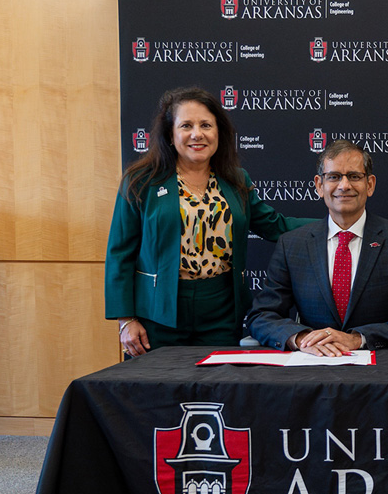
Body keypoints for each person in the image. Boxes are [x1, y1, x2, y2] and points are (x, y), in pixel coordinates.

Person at [106, 86, 314, 357]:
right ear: (170, 134)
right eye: (186, 125)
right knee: (159, 392)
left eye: (206, 125)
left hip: (221, 311)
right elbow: (120, 253)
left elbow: (275, 225)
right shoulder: (140, 181)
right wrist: (126, 320)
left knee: (218, 391)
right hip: (157, 312)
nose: (197, 134)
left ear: (218, 133)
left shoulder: (237, 180)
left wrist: (332, 225)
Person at [246, 140, 388, 356]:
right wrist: (301, 339)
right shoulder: (292, 244)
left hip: (382, 371)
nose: (344, 185)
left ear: (370, 184)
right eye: (334, 177)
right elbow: (262, 316)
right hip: (312, 368)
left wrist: (358, 339)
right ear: (319, 185)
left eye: (354, 176)